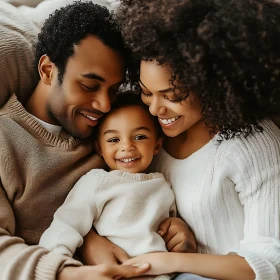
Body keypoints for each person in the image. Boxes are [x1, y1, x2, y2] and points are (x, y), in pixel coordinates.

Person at [84, 0, 280, 279]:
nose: (155, 109)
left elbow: (270, 263)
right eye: (146, 92)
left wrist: (171, 262)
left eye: (172, 96)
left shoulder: (257, 145)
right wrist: (93, 240)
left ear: (215, 83)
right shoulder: (145, 130)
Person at [0, 2, 154, 280]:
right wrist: (68, 273)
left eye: (113, 89)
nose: (105, 104)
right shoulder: (4, 141)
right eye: (89, 86)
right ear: (47, 70)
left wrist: (173, 225)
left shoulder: (112, 130)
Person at [39, 92, 187, 280]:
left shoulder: (162, 184)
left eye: (140, 137)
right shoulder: (97, 182)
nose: (127, 147)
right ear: (100, 148)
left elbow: (169, 226)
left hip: (164, 274)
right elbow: (65, 226)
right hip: (114, 273)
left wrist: (178, 225)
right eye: (113, 140)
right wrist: (59, 268)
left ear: (157, 146)